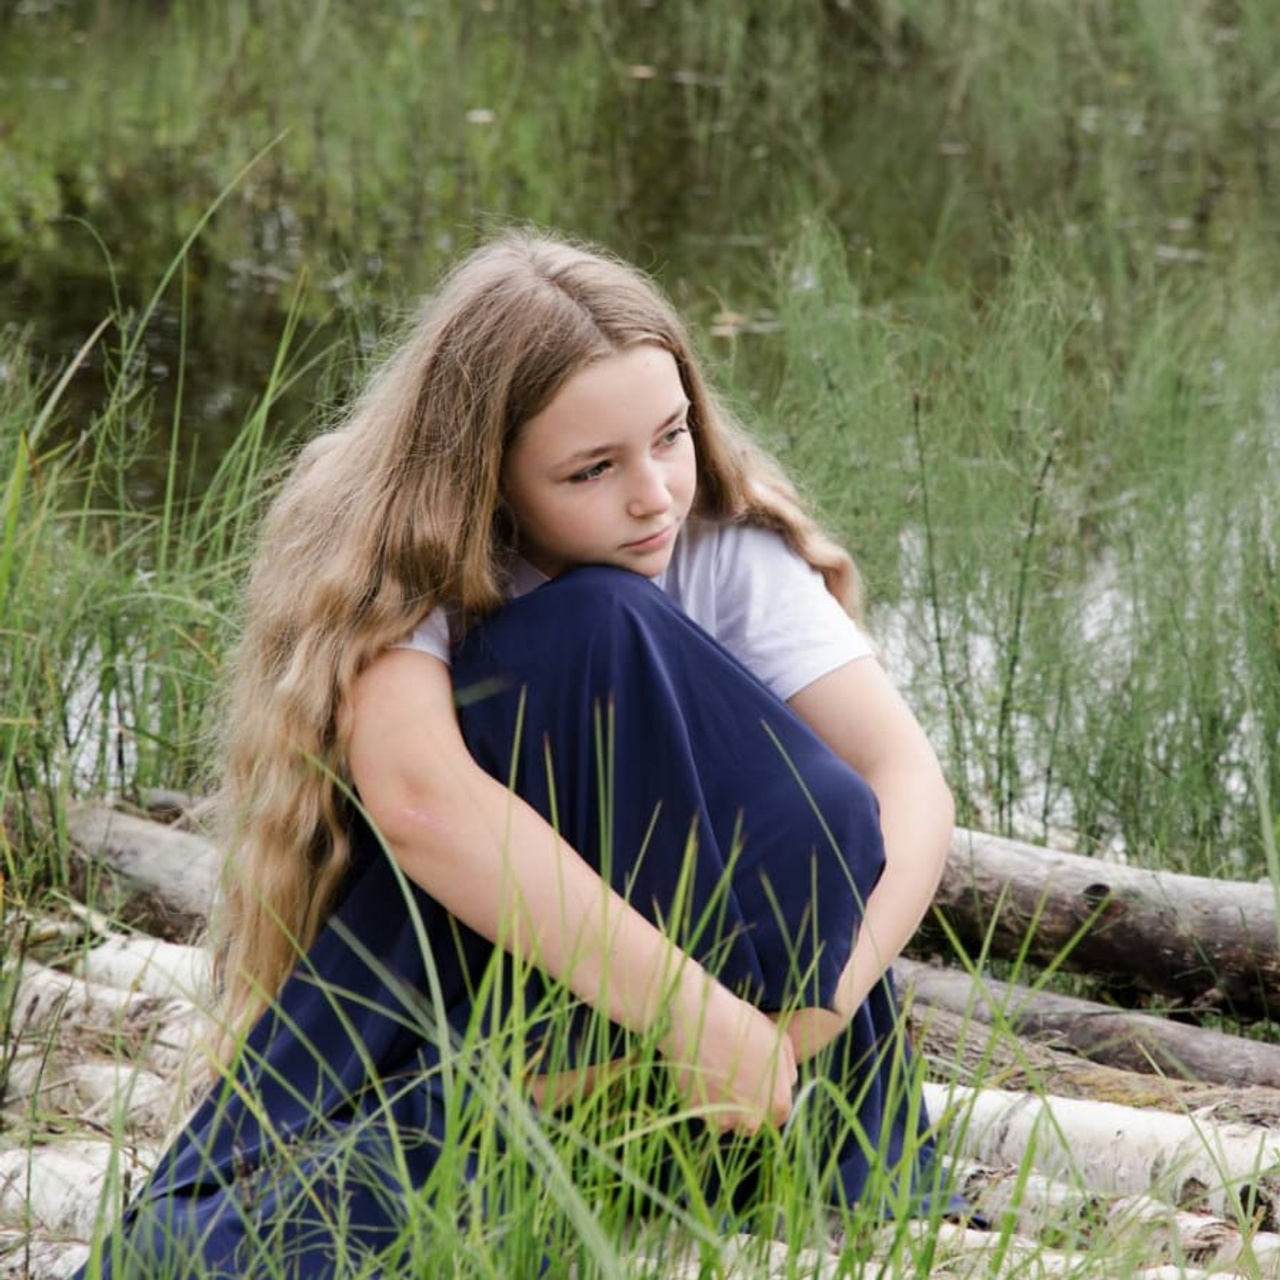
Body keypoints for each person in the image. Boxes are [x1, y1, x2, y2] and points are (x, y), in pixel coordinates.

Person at [81, 230, 957, 1277]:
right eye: (591, 468)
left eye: (670, 435)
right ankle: (564, 1108)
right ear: (483, 477)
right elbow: (421, 801)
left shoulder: (716, 541)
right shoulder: (412, 556)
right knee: (178, 1248)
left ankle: (676, 1116)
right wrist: (686, 1016)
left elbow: (902, 782)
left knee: (659, 666)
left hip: (768, 1056)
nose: (653, 495)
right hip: (505, 1020)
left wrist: (806, 1014)